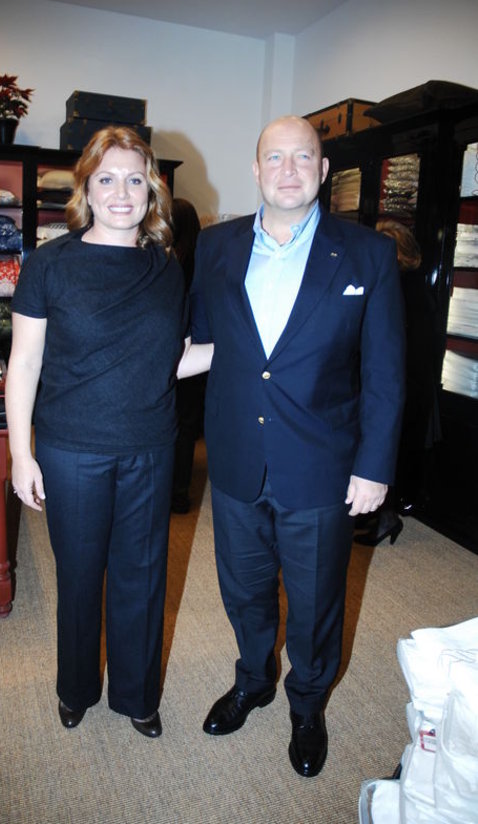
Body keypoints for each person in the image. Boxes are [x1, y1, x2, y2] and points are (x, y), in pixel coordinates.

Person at [187, 115, 405, 777]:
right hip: (234, 459)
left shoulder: (367, 253)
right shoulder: (215, 246)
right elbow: (203, 342)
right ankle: (254, 680)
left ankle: (307, 704)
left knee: (314, 602)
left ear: (323, 169)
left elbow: (386, 373)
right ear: (255, 170)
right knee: (244, 590)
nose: (289, 170)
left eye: (302, 157)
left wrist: (373, 467)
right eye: (275, 158)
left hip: (322, 465)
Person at [5, 126, 186, 738]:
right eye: (106, 179)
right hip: (72, 449)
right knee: (80, 578)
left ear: (151, 190)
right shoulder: (50, 263)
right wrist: (20, 454)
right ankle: (76, 688)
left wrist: (248, 350)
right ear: (85, 188)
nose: (121, 192)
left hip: (150, 447)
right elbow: (24, 363)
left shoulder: (165, 267)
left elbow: (170, 357)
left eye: (134, 179)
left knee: (143, 577)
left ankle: (137, 695)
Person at [355, 219, 439, 545]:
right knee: (395, 449)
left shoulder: (394, 288)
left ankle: (384, 517)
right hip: (415, 383)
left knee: (384, 446)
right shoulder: (419, 288)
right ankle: (382, 515)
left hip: (397, 384)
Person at [170, 197, 207, 513]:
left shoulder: (170, 263)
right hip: (201, 350)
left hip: (176, 347)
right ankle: (180, 492)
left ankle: (170, 488)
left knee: (174, 423)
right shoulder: (204, 258)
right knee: (186, 424)